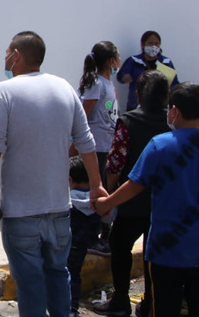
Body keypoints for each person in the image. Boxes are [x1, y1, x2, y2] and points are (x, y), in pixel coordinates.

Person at [0, 31, 107, 317]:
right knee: (57, 274)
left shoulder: (6, 90)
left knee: (30, 283)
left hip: (21, 213)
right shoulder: (64, 87)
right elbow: (87, 141)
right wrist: (97, 185)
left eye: (6, 52)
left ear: (16, 55)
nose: (4, 58)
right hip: (60, 210)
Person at [93, 83, 199, 317]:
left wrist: (107, 203)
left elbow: (135, 185)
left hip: (166, 249)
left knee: (164, 308)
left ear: (175, 111)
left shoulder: (160, 144)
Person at [93, 70, 169, 317]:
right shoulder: (172, 121)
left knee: (119, 245)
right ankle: (150, 303)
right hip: (163, 202)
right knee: (152, 252)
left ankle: (121, 299)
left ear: (138, 94)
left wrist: (111, 193)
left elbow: (115, 163)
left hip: (131, 199)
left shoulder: (128, 121)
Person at [78, 41, 121, 254]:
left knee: (106, 190)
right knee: (96, 190)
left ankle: (105, 234)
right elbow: (84, 115)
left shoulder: (108, 84)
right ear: (112, 61)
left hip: (108, 144)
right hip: (96, 145)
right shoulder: (96, 83)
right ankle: (93, 236)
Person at [67, 156, 104, 317]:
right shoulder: (97, 200)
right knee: (74, 275)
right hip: (84, 245)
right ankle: (72, 309)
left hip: (65, 243)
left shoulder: (66, 199)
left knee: (61, 274)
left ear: (69, 179)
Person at [117, 31, 179, 111]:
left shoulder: (166, 62)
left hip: (160, 107)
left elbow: (175, 84)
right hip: (135, 106)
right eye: (150, 43)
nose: (153, 46)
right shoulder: (133, 61)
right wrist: (124, 77)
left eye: (156, 44)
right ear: (142, 44)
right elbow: (120, 76)